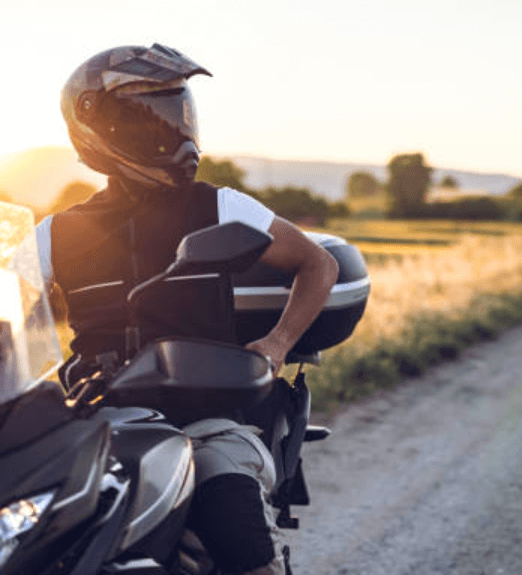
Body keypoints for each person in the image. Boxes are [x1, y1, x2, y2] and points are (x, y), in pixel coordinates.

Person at [36, 44, 338, 575]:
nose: (177, 133)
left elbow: (317, 264)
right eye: (155, 119)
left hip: (206, 420)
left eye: (180, 115)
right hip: (96, 426)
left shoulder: (217, 205)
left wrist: (275, 344)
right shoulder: (57, 233)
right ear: (100, 129)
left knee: (231, 517)